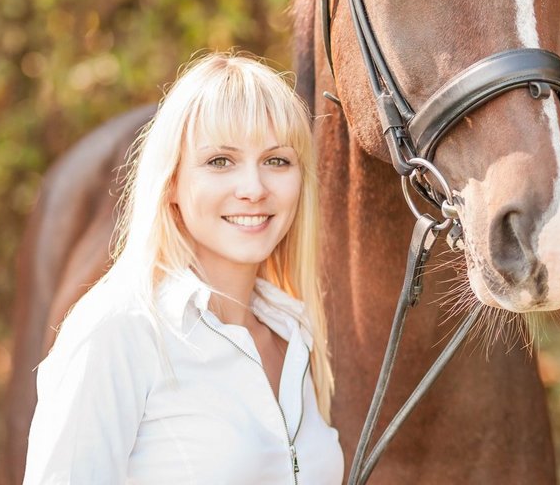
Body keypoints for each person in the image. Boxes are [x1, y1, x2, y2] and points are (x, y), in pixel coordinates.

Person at [23, 53, 342, 484]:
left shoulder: (293, 333)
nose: (253, 189)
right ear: (171, 182)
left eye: (276, 161)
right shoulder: (119, 331)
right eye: (220, 162)